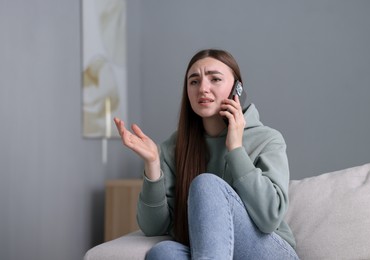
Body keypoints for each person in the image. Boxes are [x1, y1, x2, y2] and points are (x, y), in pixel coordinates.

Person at [114, 49, 299, 259]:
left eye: (215, 79)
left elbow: (269, 218)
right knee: (163, 253)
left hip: (268, 251)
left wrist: (236, 149)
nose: (203, 88)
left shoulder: (268, 139)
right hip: (211, 252)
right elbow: (153, 228)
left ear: (237, 89)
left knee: (206, 184)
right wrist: (153, 165)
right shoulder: (173, 147)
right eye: (194, 81)